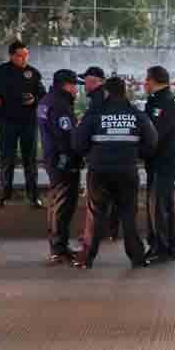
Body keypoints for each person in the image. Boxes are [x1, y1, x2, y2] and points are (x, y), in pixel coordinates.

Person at [70, 77, 157, 269]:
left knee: (96, 214)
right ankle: (137, 258)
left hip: (99, 170)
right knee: (128, 213)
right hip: (127, 169)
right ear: (124, 92)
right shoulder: (136, 114)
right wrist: (134, 154)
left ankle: (86, 259)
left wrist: (91, 155)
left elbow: (77, 143)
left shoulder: (94, 114)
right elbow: (151, 141)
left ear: (106, 92)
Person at [0, 40, 46, 208]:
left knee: (30, 160)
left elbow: (43, 94)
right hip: (7, 122)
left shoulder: (33, 73)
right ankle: (5, 195)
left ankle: (33, 196)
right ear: (11, 56)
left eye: (25, 55)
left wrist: (34, 99)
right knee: (8, 159)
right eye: (19, 56)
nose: (23, 59)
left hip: (28, 122)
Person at [38, 69, 83, 265]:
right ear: (66, 85)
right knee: (63, 205)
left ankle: (60, 246)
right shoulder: (60, 105)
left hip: (53, 158)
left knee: (57, 202)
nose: (77, 90)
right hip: (63, 160)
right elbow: (65, 137)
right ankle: (58, 248)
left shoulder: (46, 101)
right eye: (75, 85)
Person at [143, 66, 175, 264]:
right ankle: (164, 246)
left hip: (164, 160)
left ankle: (162, 248)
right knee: (161, 203)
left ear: (153, 81)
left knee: (158, 204)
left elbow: (155, 134)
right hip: (159, 160)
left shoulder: (165, 102)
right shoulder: (159, 100)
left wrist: (141, 150)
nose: (144, 83)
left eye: (146, 79)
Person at [77, 66, 118, 242]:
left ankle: (95, 234)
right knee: (111, 195)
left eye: (85, 81)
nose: (83, 85)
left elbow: (92, 124)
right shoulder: (107, 97)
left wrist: (81, 124)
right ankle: (109, 231)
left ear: (95, 81)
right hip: (113, 153)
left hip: (100, 155)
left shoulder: (98, 98)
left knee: (97, 198)